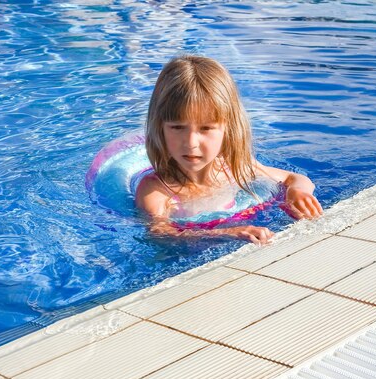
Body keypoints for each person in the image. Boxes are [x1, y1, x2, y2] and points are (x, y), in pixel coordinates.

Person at [135, 55, 323, 245]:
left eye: (206, 128)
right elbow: (160, 232)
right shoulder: (156, 190)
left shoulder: (234, 169)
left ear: (228, 128)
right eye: (177, 127)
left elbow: (296, 178)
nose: (191, 142)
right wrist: (228, 232)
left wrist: (296, 193)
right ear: (160, 128)